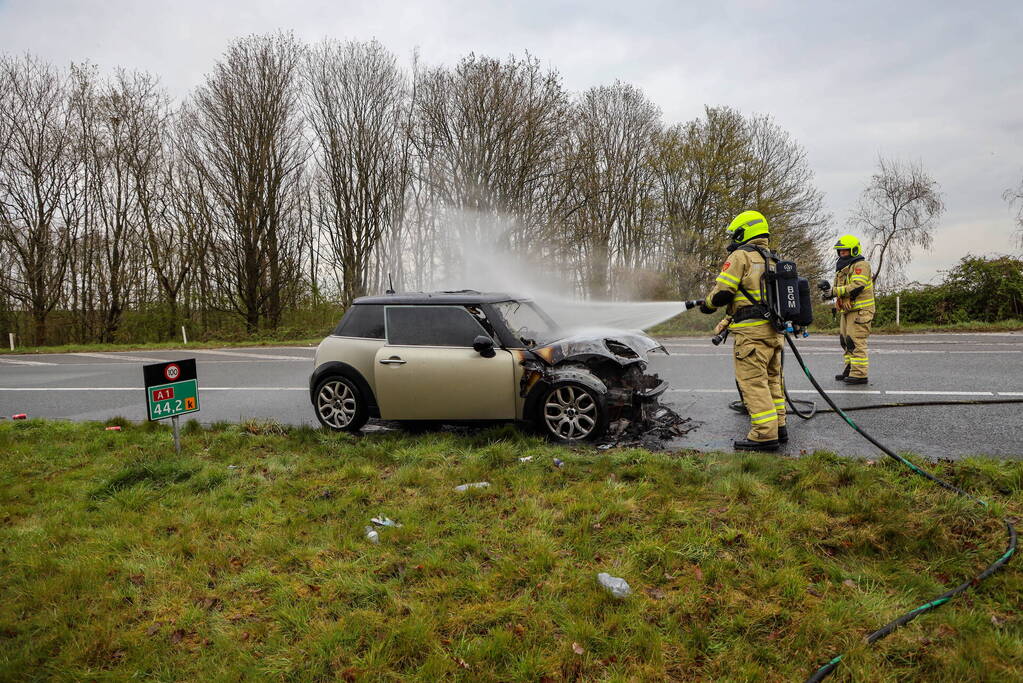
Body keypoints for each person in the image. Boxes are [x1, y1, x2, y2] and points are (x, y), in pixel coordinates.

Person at [699, 210, 786, 451]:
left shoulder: (741, 256)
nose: (732, 238)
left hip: (751, 335)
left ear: (744, 231)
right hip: (773, 333)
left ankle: (764, 435)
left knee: (753, 383)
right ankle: (779, 427)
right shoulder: (772, 259)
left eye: (734, 233)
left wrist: (707, 304)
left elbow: (724, 292)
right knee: (772, 381)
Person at [818, 235, 874, 384]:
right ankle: (850, 369)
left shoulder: (861, 265)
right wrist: (835, 298)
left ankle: (860, 374)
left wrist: (835, 292)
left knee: (855, 341)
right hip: (847, 311)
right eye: (840, 251)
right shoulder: (842, 267)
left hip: (861, 310)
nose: (842, 253)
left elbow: (857, 285)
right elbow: (841, 289)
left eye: (845, 251)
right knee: (846, 341)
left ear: (854, 250)